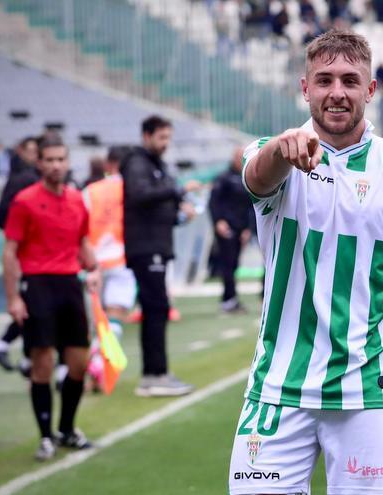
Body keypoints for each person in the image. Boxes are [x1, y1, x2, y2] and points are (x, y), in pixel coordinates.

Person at [230, 29, 383, 495]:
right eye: (324, 80)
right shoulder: (275, 157)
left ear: (371, 89)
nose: (337, 92)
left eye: (350, 81)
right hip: (277, 389)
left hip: (369, 393)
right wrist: (280, 149)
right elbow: (256, 177)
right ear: (305, 88)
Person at [2, 133, 97, 460]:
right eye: (50, 160)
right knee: (42, 364)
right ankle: (46, 436)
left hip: (70, 284)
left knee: (79, 364)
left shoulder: (76, 199)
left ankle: (67, 429)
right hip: (38, 285)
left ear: (68, 162)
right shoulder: (24, 201)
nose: (56, 165)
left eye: (61, 159)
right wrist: (13, 298)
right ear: (39, 163)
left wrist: (93, 265)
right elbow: (10, 251)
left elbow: (83, 240)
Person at [122, 115, 200, 397]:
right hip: (145, 247)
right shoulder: (137, 163)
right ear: (146, 136)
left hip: (157, 245)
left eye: (168, 137)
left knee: (157, 308)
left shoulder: (157, 165)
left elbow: (159, 204)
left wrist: (180, 212)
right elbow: (140, 195)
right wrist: (178, 191)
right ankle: (154, 375)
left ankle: (156, 373)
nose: (166, 143)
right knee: (155, 308)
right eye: (161, 137)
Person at [83, 146, 136, 389]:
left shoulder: (90, 191)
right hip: (123, 260)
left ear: (109, 164)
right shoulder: (130, 188)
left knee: (95, 320)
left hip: (93, 262)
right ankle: (97, 361)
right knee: (115, 318)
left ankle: (91, 365)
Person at [0, 136, 40, 373]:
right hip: (27, 253)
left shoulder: (24, 177)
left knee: (35, 304)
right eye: (32, 151)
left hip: (32, 252)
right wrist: (19, 234)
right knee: (33, 303)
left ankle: (9, 348)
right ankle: (14, 351)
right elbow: (1, 216)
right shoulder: (24, 180)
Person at [208, 147, 254, 314]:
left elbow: (251, 206)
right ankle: (229, 300)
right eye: (239, 157)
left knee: (234, 264)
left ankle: (229, 298)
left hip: (241, 228)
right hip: (226, 227)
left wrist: (248, 228)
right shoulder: (223, 178)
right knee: (227, 263)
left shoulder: (246, 178)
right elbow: (213, 202)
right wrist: (218, 221)